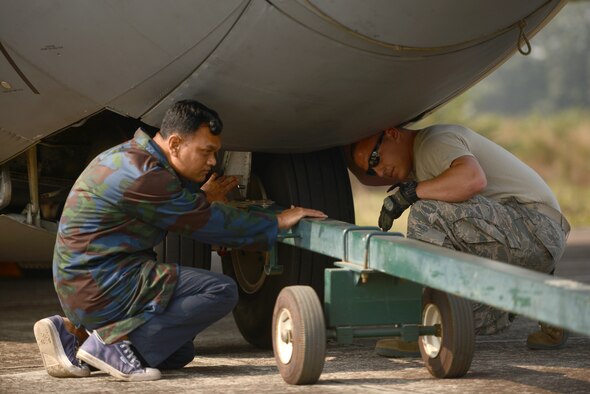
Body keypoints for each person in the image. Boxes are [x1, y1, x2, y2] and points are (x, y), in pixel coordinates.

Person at [33, 99, 327, 381]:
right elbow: (206, 223)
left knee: (178, 352)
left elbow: (173, 209)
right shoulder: (146, 176)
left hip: (87, 283)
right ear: (174, 144)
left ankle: (75, 337)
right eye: (206, 151)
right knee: (221, 291)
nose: (212, 162)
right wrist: (274, 222)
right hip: (102, 285)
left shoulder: (130, 157)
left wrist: (199, 199)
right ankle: (112, 347)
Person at [349, 124, 570, 357]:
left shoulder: (433, 142)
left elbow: (472, 180)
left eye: (375, 159)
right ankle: (550, 305)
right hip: (533, 241)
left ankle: (422, 327)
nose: (380, 172)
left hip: (534, 228)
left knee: (425, 213)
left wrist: (411, 193)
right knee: (459, 317)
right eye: (371, 171)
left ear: (392, 134)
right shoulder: (421, 160)